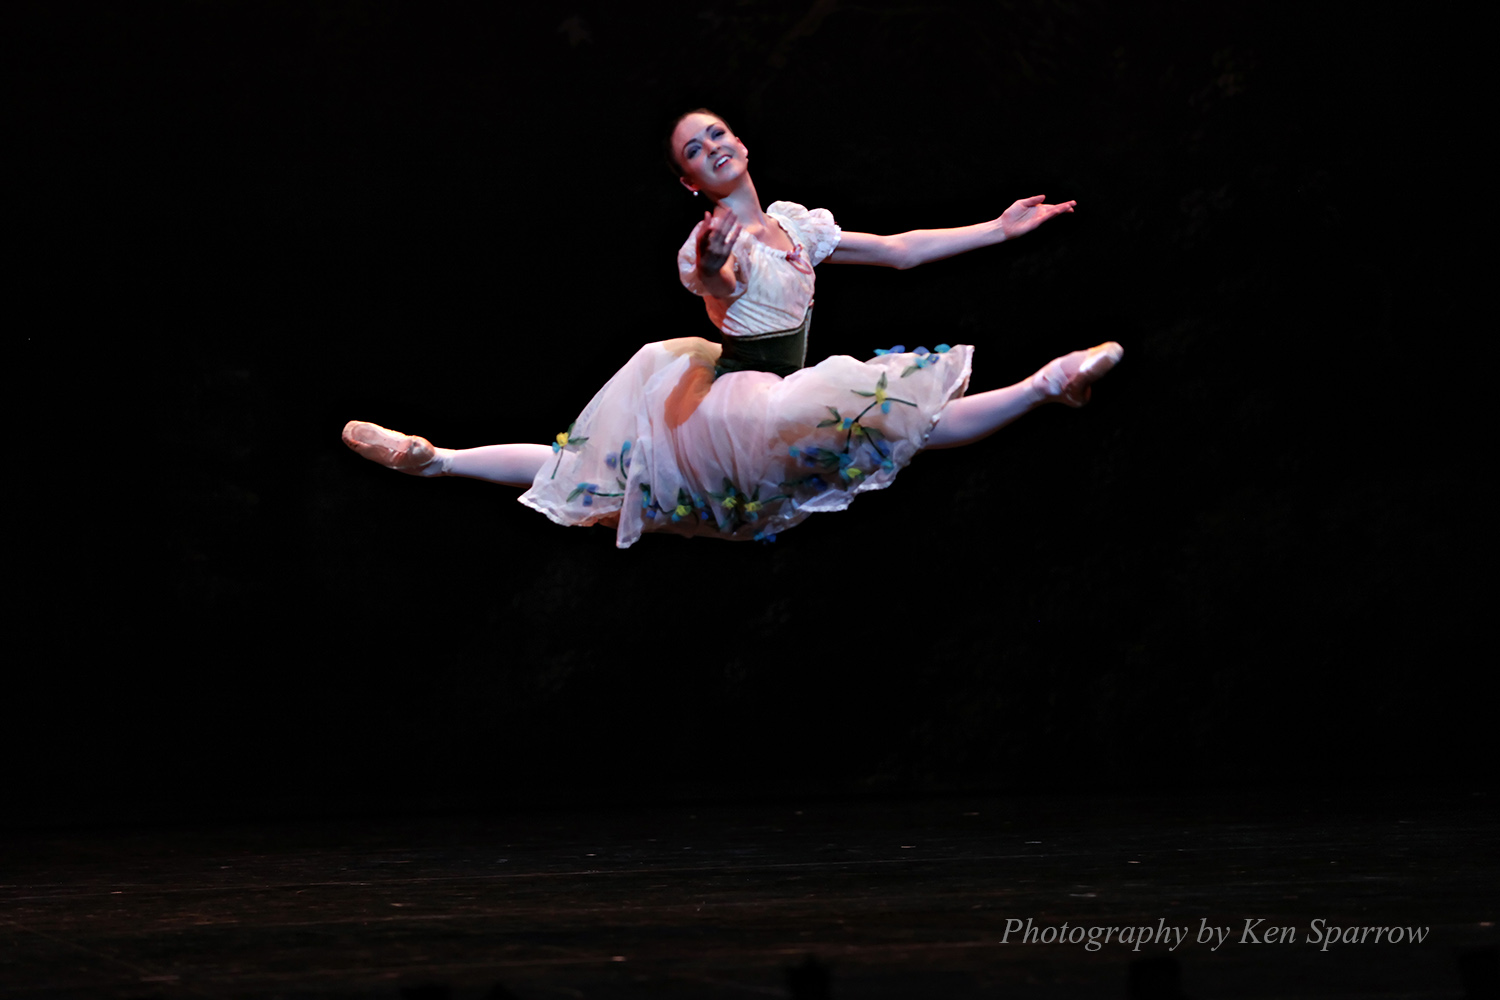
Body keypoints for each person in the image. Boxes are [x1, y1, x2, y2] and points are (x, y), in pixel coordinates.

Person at [343, 109, 1121, 547]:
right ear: (690, 183)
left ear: (740, 143)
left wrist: (1000, 228)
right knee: (890, 417)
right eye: (695, 151)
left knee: (594, 467)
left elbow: (901, 252)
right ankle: (1049, 385)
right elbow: (716, 294)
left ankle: (437, 461)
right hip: (738, 402)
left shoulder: (795, 225)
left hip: (762, 397)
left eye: (717, 134)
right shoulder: (715, 245)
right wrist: (716, 264)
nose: (713, 147)